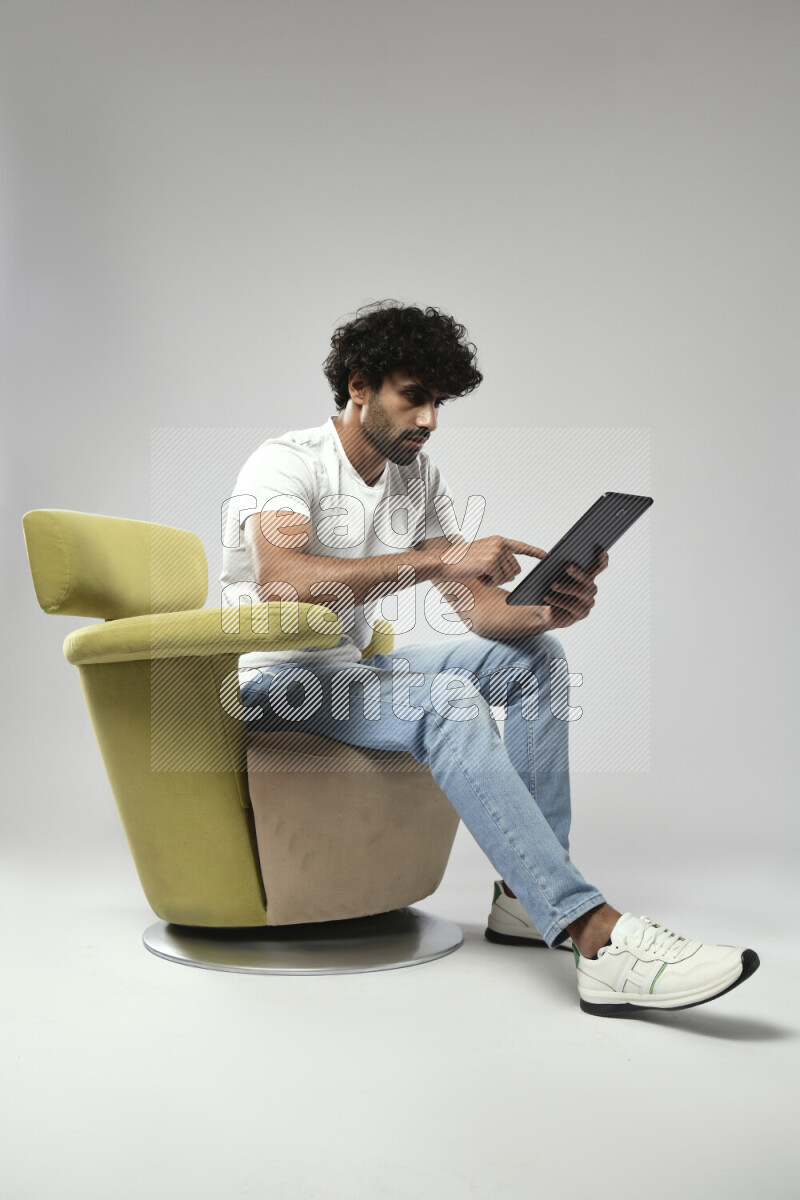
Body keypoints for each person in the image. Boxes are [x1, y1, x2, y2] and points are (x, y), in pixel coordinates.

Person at [219, 300, 759, 1016]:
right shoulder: (289, 461)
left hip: (347, 671)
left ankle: (522, 901)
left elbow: (478, 611)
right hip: (273, 680)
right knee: (447, 701)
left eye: (438, 403)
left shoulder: (416, 477)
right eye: (414, 397)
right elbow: (282, 579)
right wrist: (434, 559)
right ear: (359, 386)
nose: (429, 420)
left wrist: (546, 607)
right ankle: (592, 935)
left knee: (536, 659)